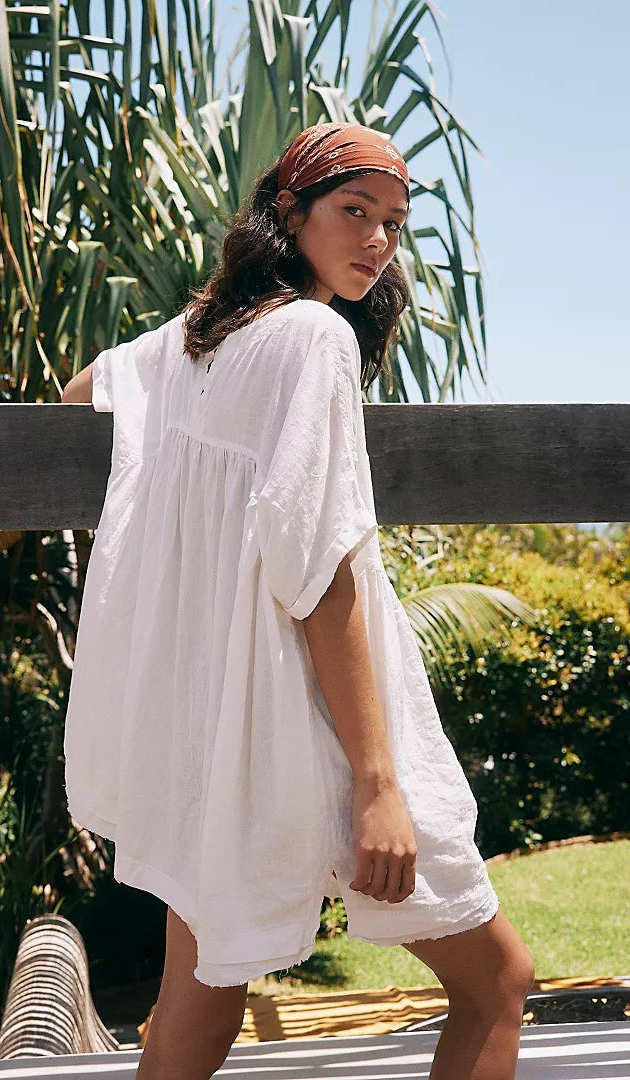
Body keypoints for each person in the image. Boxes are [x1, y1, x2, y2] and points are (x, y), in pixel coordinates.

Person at [61, 122, 535, 1080]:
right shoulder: (314, 338)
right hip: (313, 726)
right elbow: (322, 573)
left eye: (393, 223)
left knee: (197, 1012)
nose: (377, 241)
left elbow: (78, 396)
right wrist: (378, 783)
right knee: (498, 984)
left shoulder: (187, 343)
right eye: (354, 211)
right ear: (290, 211)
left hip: (213, 737)